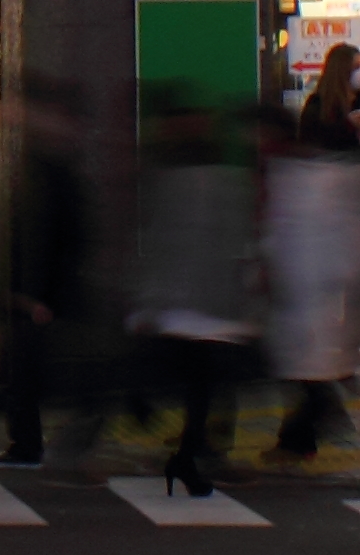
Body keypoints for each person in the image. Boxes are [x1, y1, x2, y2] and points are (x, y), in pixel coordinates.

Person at [128, 88, 258, 498]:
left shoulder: (171, 173)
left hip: (197, 301)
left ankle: (184, 454)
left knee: (199, 383)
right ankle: (183, 453)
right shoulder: (210, 175)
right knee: (198, 382)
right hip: (191, 301)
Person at [0, 75, 89, 474]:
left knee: (32, 374)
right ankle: (33, 444)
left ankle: (29, 446)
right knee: (39, 374)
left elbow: (47, 233)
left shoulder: (48, 167)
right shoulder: (51, 162)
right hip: (47, 292)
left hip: (44, 295)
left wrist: (32, 293)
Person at [261, 91, 358, 461]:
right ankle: (304, 433)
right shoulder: (316, 176)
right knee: (304, 365)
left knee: (302, 366)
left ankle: (302, 434)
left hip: (309, 285)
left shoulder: (300, 176)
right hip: (315, 285)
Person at [299, 42, 360, 152]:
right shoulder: (318, 105)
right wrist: (349, 125)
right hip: (332, 165)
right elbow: (313, 141)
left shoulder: (357, 102)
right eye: (356, 68)